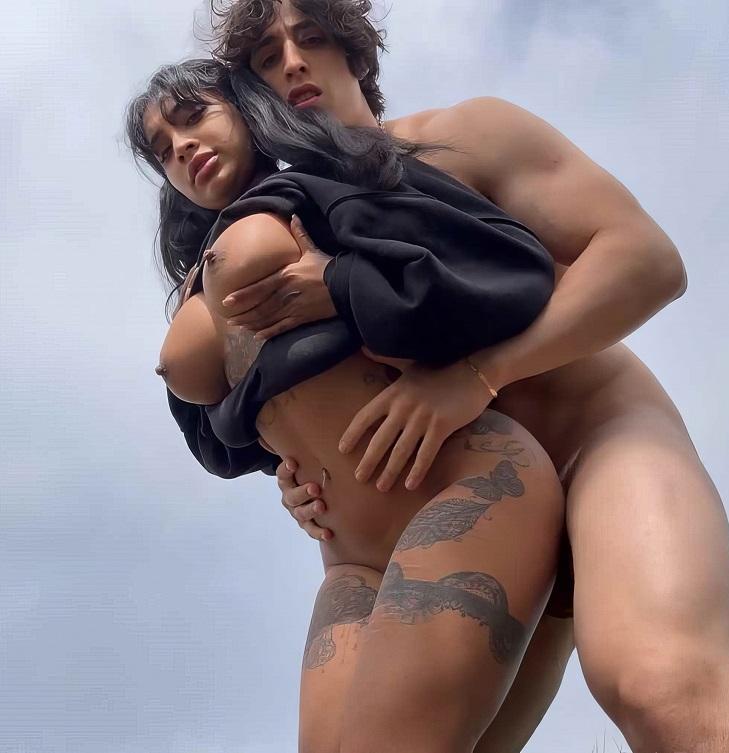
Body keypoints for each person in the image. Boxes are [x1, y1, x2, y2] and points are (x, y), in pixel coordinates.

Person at [211, 1, 729, 751]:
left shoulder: (463, 137)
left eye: (311, 38)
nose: (292, 62)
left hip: (595, 442)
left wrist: (481, 375)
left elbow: (644, 259)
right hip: (472, 506)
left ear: (354, 51)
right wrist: (299, 473)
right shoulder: (280, 230)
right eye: (266, 57)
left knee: (663, 686)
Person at [127, 59, 575, 752]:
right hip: (352, 563)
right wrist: (287, 465)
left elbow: (508, 268)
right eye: (163, 149)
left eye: (195, 118)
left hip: (465, 485)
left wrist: (343, 284)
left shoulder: (334, 180)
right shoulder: (195, 283)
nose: (182, 148)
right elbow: (224, 442)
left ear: (246, 107)